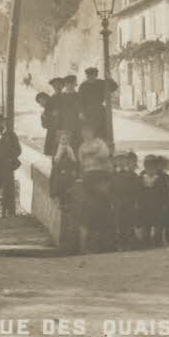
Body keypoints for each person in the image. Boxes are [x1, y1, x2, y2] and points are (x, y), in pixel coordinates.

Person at [76, 123, 114, 252]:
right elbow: (81, 159)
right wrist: (91, 156)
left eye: (89, 131)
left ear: (93, 132)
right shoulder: (82, 146)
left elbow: (104, 154)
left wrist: (92, 155)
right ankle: (90, 243)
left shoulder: (99, 142)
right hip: (88, 175)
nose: (87, 134)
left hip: (100, 174)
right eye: (84, 132)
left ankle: (105, 242)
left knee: (102, 202)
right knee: (90, 203)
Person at [138, 154, 169, 247]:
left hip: (157, 204)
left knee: (158, 222)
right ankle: (146, 239)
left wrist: (165, 203)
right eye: (147, 165)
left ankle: (157, 239)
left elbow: (165, 190)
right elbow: (138, 189)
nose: (149, 167)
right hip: (146, 204)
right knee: (146, 223)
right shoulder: (142, 176)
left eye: (152, 165)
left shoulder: (161, 177)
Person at [109, 151, 143, 250]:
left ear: (126, 161)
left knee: (130, 221)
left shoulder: (131, 174)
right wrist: (113, 200)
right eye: (118, 160)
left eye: (123, 159)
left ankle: (131, 242)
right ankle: (121, 243)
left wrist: (136, 200)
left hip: (129, 201)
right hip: (118, 201)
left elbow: (137, 187)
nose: (120, 162)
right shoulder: (113, 175)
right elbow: (110, 189)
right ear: (115, 162)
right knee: (119, 222)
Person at [77, 67, 119, 139]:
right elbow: (80, 100)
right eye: (89, 76)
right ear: (87, 76)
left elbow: (114, 87)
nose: (90, 78)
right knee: (90, 132)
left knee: (101, 131)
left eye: (92, 76)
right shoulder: (83, 86)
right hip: (88, 112)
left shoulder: (101, 83)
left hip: (99, 111)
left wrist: (110, 79)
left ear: (96, 76)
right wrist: (81, 112)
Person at [52, 76, 84, 152]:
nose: (70, 86)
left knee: (76, 143)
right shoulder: (60, 96)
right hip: (63, 122)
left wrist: (81, 113)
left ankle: (75, 161)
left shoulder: (79, 96)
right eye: (68, 84)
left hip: (76, 123)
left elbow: (81, 107)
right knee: (63, 144)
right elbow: (56, 108)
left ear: (75, 84)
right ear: (65, 85)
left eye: (72, 84)